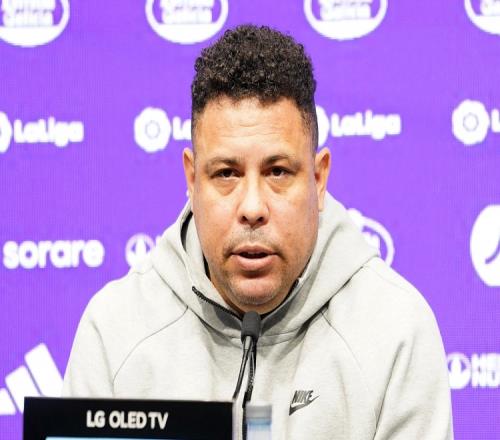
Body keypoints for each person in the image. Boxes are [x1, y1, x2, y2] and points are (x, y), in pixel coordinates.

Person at [63, 25, 453, 439]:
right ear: (192, 180)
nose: (252, 208)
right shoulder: (115, 331)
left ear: (319, 179)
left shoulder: (395, 330)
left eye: (278, 172)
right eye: (226, 173)